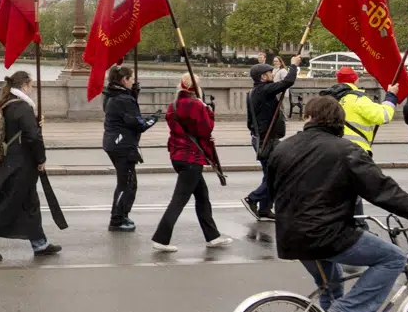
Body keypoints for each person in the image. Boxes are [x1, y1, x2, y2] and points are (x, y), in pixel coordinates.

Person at [269, 95, 408, 312]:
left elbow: (272, 190)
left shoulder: (283, 148)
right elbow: (384, 191)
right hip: (327, 235)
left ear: (308, 117)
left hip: (290, 236)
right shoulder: (347, 150)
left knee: (332, 284)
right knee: (393, 258)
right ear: (340, 122)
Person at [0, 70, 60, 261]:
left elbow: (18, 130)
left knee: (30, 203)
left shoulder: (7, 104)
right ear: (24, 85)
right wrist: (41, 159)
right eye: (32, 85)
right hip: (21, 164)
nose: (33, 89)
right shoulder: (23, 107)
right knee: (8, 204)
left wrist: (35, 123)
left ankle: (39, 243)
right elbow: (33, 136)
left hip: (11, 161)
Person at [152, 77, 230, 252]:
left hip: (178, 155)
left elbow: (185, 128)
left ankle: (213, 236)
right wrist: (206, 110)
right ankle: (161, 238)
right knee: (178, 201)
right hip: (191, 157)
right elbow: (205, 129)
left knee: (202, 197)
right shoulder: (196, 105)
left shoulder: (173, 105)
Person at [101, 64, 159, 232]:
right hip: (122, 145)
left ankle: (123, 214)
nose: (133, 82)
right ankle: (116, 220)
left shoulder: (112, 94)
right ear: (124, 80)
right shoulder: (124, 99)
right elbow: (138, 124)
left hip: (114, 143)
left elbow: (124, 114)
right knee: (125, 184)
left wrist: (133, 94)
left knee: (130, 183)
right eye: (131, 79)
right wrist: (154, 118)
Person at [243, 55, 300, 220]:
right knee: (277, 175)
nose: (272, 75)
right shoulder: (264, 90)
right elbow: (287, 83)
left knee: (269, 173)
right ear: (263, 77)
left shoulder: (255, 91)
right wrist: (294, 66)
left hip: (260, 138)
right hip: (267, 140)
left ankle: (265, 209)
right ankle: (252, 198)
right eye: (270, 73)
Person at [322, 66, 400, 155]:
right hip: (356, 150)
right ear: (355, 80)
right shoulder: (358, 99)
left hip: (334, 148)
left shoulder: (331, 99)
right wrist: (391, 96)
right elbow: (383, 116)